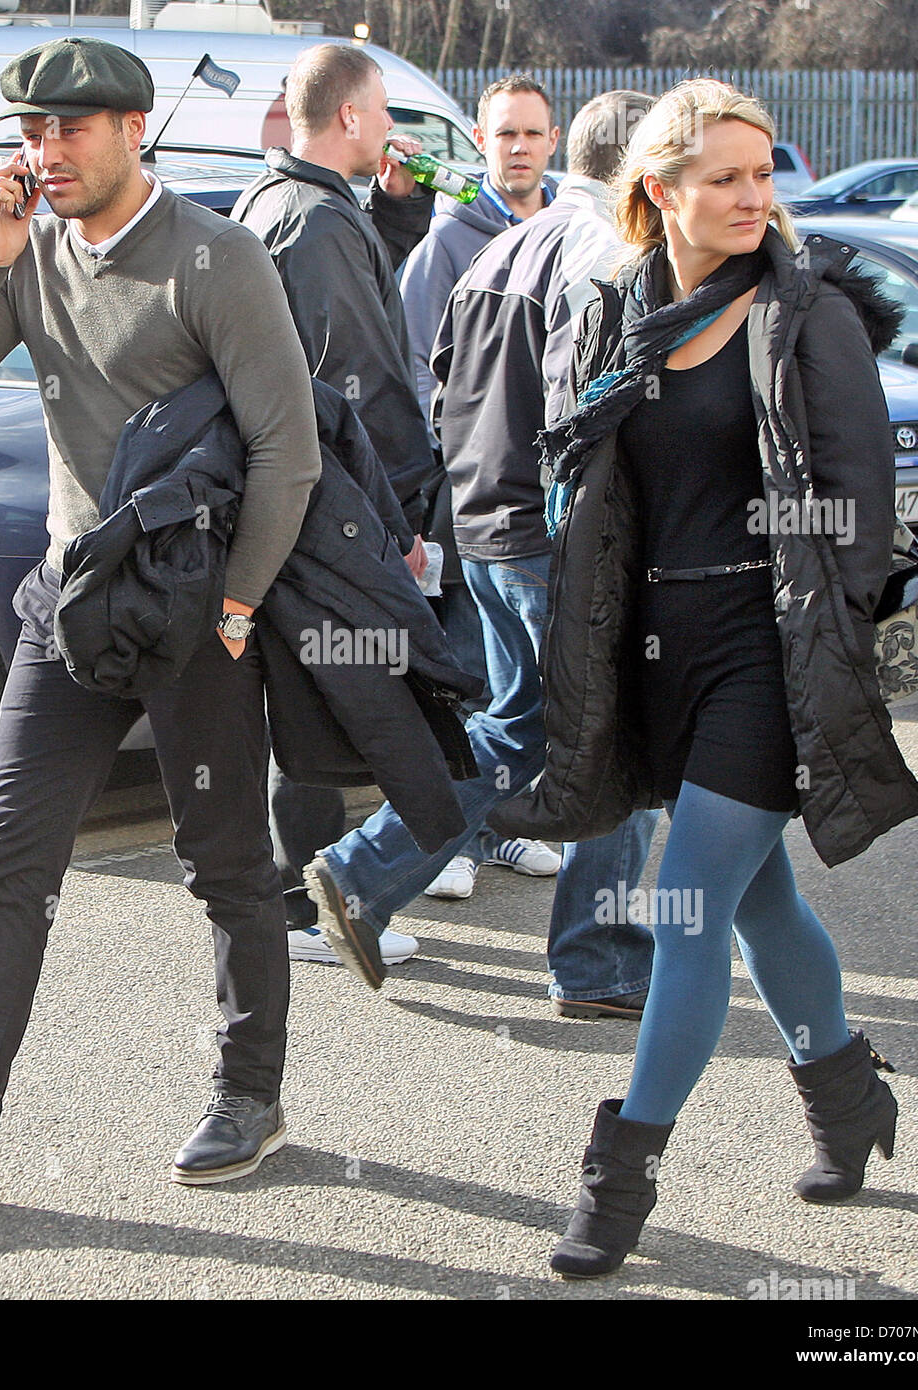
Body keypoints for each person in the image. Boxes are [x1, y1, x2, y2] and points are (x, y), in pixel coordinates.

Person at [0, 36, 324, 1198]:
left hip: (194, 611)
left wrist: (238, 604)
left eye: (69, 130)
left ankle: (250, 1095)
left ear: (132, 130)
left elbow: (286, 452)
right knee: (8, 862)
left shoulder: (217, 256)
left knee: (226, 860)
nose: (44, 151)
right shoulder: (30, 248)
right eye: (31, 132)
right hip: (68, 604)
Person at [491, 79, 918, 1277]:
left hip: (768, 651)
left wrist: (820, 640)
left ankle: (613, 1187)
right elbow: (584, 487)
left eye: (761, 173)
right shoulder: (610, 311)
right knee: (757, 901)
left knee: (681, 908)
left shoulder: (807, 313)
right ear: (658, 191)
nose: (750, 196)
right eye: (723, 176)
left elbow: (858, 512)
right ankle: (848, 1103)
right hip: (654, 653)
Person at [427, 89, 661, 1017]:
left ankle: (359, 881)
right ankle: (596, 963)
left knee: (514, 726)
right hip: (549, 537)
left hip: (483, 523)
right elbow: (583, 411)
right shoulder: (605, 251)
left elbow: (440, 371)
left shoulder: (502, 240)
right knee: (612, 746)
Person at [230, 43, 445, 972]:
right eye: (384, 109)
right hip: (332, 503)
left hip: (294, 491)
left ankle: (312, 890)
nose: (393, 127)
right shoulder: (314, 223)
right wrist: (406, 520)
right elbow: (361, 385)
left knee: (313, 689)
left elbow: (343, 315)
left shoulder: (281, 203)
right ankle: (307, 903)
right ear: (349, 117)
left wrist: (396, 217)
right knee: (324, 690)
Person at [399, 74, 564, 904]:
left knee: (517, 696)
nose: (519, 148)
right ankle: (447, 845)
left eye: (532, 134)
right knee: (469, 681)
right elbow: (417, 380)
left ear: (553, 141)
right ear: (481, 142)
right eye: (505, 135)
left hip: (543, 519)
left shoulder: (570, 234)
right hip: (472, 511)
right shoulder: (445, 249)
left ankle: (499, 831)